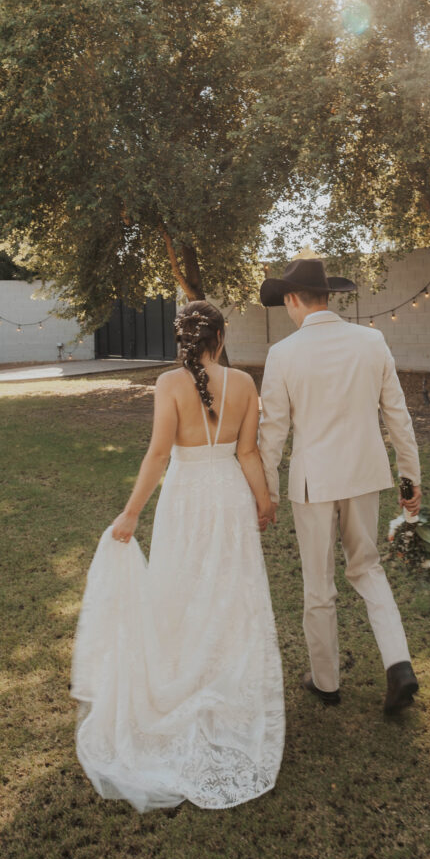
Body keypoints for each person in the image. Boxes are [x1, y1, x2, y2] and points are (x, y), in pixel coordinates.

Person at [70, 301, 284, 811]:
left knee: (179, 590)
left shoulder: (169, 384)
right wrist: (264, 500)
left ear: (183, 338)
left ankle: (183, 682)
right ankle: (222, 686)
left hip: (186, 497)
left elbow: (159, 455)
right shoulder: (246, 384)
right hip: (229, 496)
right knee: (229, 594)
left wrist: (130, 514)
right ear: (222, 335)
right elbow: (248, 453)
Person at [258, 258, 422, 715]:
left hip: (313, 484)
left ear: (293, 300)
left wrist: (266, 495)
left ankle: (326, 681)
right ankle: (398, 664)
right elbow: (398, 417)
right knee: (367, 568)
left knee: (319, 584)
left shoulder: (283, 353)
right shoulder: (372, 340)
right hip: (365, 475)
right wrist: (410, 479)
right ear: (327, 296)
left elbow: (271, 433)